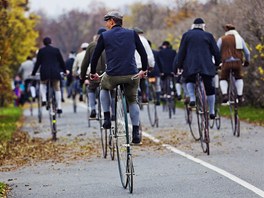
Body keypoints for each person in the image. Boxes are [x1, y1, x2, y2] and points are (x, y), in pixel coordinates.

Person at [90, 11, 148, 144]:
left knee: (103, 88)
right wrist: (143, 70)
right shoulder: (132, 34)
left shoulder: (104, 36)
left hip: (112, 75)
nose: (106, 24)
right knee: (133, 101)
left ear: (112, 21)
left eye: (107, 21)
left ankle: (106, 118)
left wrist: (93, 72)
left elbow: (95, 56)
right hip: (131, 74)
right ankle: (135, 132)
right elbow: (143, 54)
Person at [175, 18, 221, 119]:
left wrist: (179, 65)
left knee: (189, 80)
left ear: (193, 26)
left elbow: (181, 52)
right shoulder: (208, 35)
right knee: (209, 88)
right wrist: (218, 63)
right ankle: (212, 111)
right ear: (203, 26)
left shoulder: (186, 35)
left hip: (191, 65)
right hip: (206, 66)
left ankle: (192, 98)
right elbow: (216, 52)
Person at [31, 37, 68, 114]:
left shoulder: (41, 51)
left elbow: (38, 63)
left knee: (42, 84)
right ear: (51, 42)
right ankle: (59, 107)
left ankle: (44, 99)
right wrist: (65, 71)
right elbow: (61, 62)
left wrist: (33, 73)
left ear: (44, 43)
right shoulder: (56, 50)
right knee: (57, 89)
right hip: (55, 72)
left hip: (44, 72)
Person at [217, 24, 250, 104]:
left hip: (226, 63)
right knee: (239, 77)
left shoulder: (222, 39)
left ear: (226, 31)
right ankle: (240, 96)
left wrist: (217, 63)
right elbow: (247, 52)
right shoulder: (240, 39)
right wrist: (247, 62)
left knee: (223, 78)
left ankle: (225, 95)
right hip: (238, 62)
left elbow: (216, 52)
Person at [80, 27, 107, 118]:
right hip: (108, 73)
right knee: (111, 90)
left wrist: (82, 76)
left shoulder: (91, 45)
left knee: (91, 88)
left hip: (95, 73)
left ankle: (93, 109)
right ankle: (113, 113)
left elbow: (85, 62)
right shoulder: (110, 43)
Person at [133, 27, 155, 103]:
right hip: (142, 65)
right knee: (143, 79)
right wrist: (151, 65)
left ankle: (133, 96)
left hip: (132, 65)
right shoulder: (144, 40)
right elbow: (149, 54)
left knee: (132, 82)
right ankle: (144, 94)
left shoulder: (129, 39)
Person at [147, 40, 162, 105]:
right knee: (157, 85)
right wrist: (161, 71)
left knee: (147, 84)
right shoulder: (156, 53)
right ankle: (158, 98)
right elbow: (160, 63)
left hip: (147, 72)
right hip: (156, 71)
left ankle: (149, 96)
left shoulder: (143, 52)